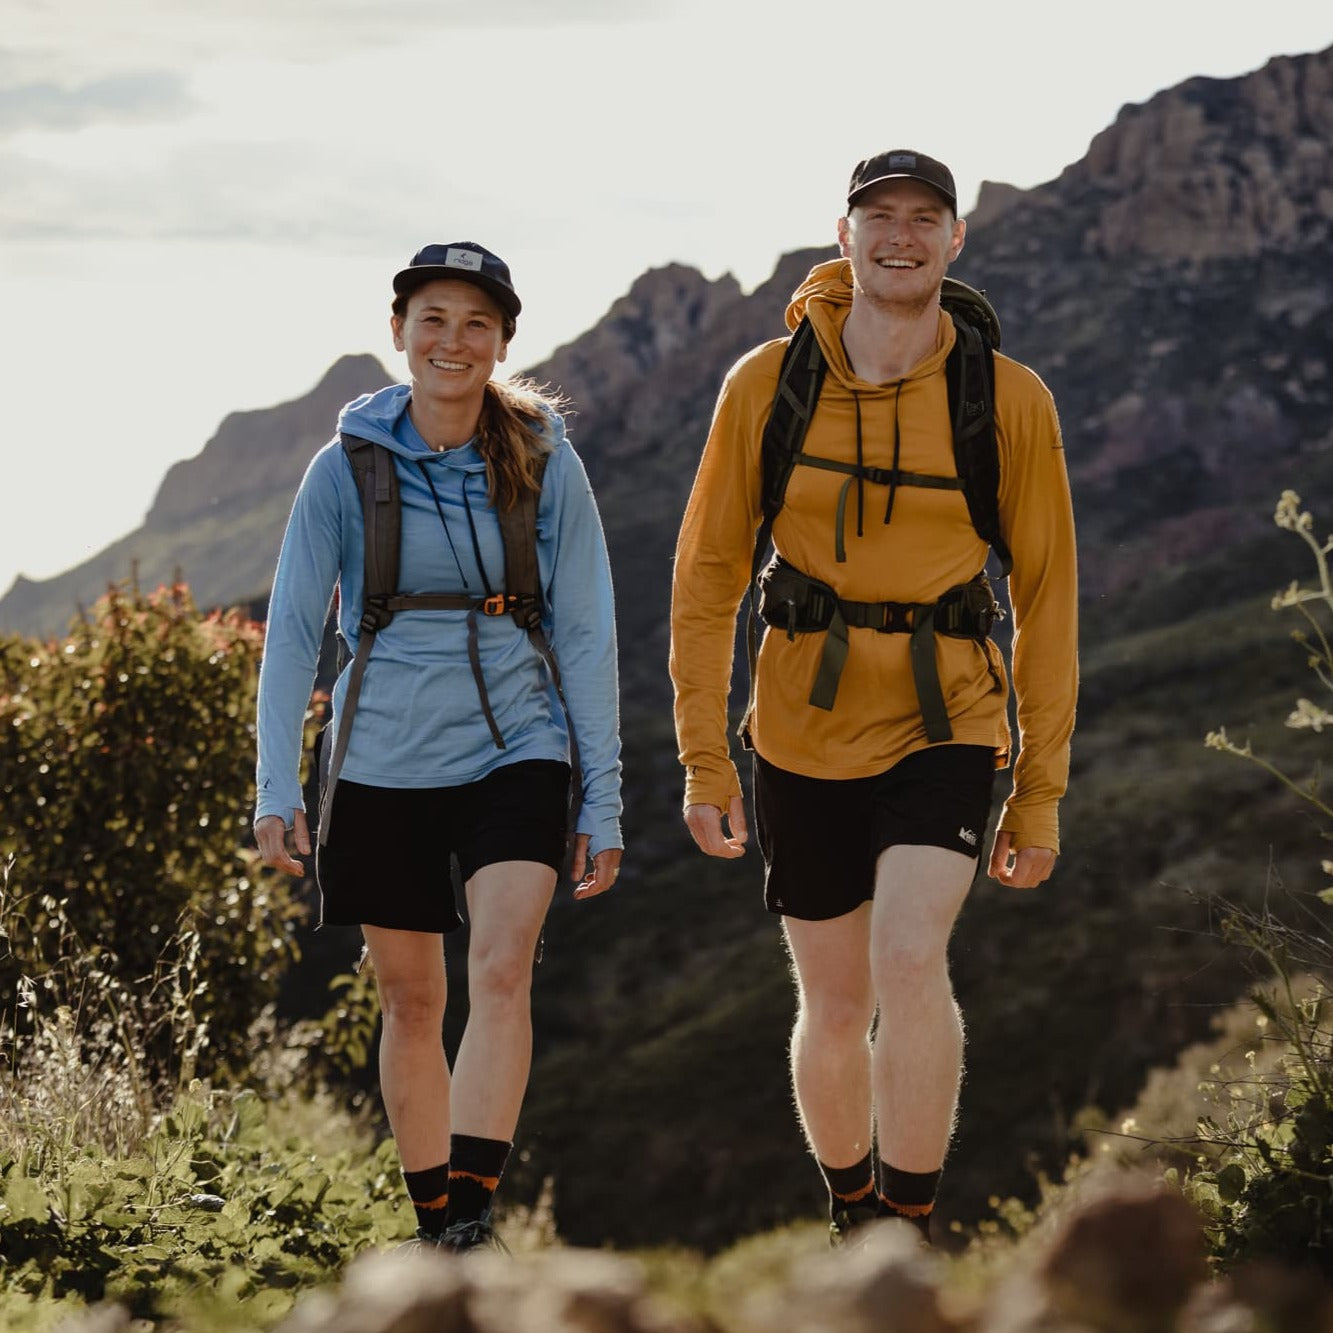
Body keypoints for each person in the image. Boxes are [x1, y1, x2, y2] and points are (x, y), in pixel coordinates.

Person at [669, 151, 1077, 1244]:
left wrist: (1038, 793)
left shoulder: (1007, 397)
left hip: (948, 717)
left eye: (924, 218)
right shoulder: (767, 382)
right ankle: (854, 1209)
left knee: (909, 957)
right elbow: (708, 576)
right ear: (843, 235)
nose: (901, 235)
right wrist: (705, 759)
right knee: (834, 999)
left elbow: (1046, 600)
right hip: (798, 722)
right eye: (879, 217)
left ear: (955, 241)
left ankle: (909, 1223)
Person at [254, 241, 623, 1252]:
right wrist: (274, 785)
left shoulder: (544, 459)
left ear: (503, 341)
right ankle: (435, 1225)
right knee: (413, 999)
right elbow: (292, 632)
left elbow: (587, 630)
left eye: (474, 323)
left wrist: (603, 802)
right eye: (433, 318)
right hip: (377, 755)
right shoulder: (344, 469)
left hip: (520, 744)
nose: (451, 341)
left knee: (502, 968)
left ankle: (472, 1215)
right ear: (398, 333)